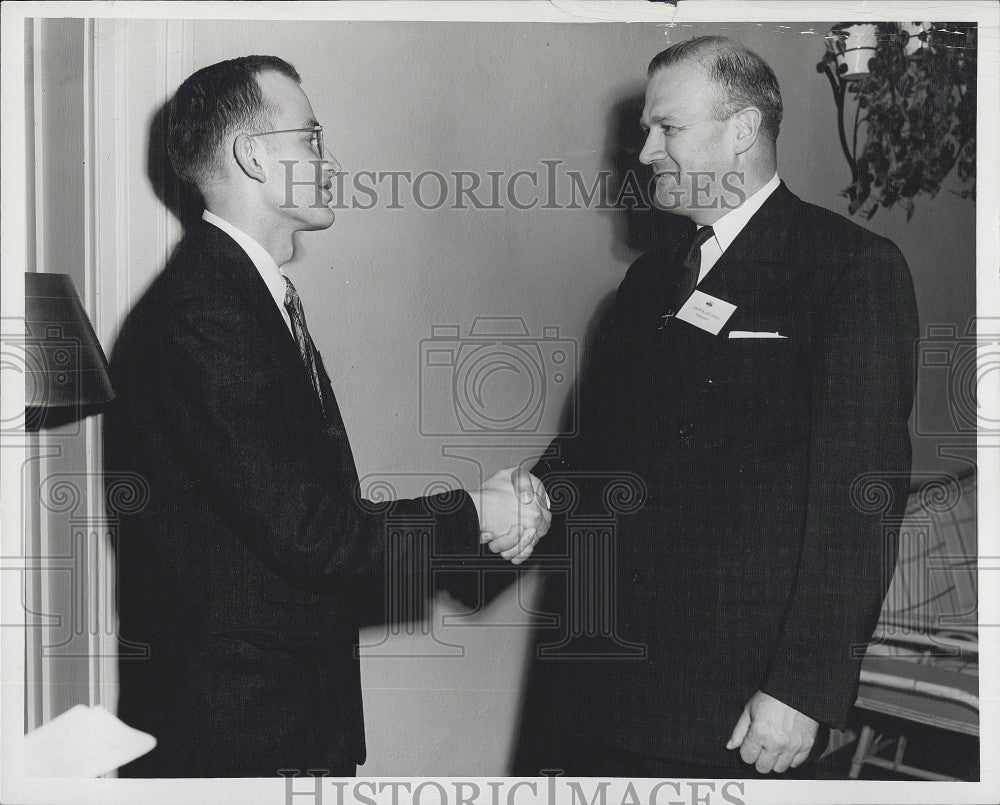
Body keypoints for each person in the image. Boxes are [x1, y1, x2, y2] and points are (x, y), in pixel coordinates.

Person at [106, 55, 549, 778]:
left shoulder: (239, 296)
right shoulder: (205, 311)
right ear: (253, 154)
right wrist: (475, 513)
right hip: (240, 735)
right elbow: (314, 532)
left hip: (282, 713)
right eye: (310, 137)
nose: (329, 158)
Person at [514, 36, 918, 778]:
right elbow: (595, 452)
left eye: (667, 129)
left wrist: (803, 686)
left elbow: (859, 504)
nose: (643, 152)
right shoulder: (648, 281)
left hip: (727, 701)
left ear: (742, 130)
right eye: (645, 130)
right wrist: (525, 502)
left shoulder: (849, 269)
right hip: (594, 680)